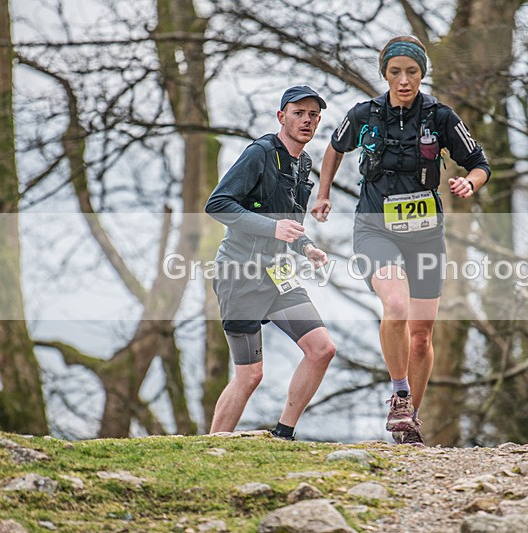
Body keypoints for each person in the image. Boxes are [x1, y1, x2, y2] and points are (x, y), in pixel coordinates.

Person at [311, 37, 490, 446]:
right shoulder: (364, 114)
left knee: (422, 335)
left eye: (412, 72)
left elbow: (479, 164)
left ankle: (410, 421)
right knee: (395, 306)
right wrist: (322, 194)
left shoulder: (441, 116)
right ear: (385, 74)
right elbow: (334, 150)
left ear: (422, 73)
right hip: (375, 229)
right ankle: (400, 394)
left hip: (426, 236)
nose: (404, 80)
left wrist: (468, 182)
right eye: (395, 72)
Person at [205, 85, 336, 440]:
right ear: (282, 117)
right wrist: (272, 227)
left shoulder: (303, 163)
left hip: (278, 274)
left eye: (312, 115)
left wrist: (307, 246)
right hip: (241, 273)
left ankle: (283, 434)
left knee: (322, 349)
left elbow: (290, 226)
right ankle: (211, 447)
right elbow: (217, 205)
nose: (306, 120)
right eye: (298, 113)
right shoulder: (260, 154)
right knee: (250, 375)